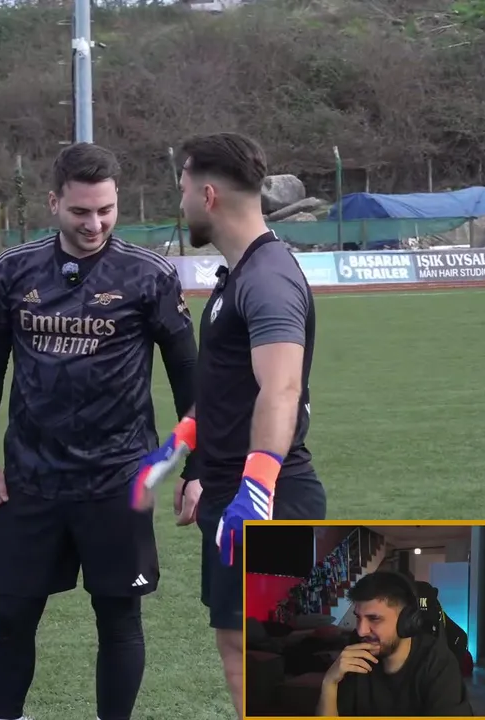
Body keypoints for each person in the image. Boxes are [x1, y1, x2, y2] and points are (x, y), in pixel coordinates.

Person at [0, 142, 199, 720]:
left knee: (119, 618)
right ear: (53, 203)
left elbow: (189, 375)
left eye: (106, 210)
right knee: (12, 616)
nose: (94, 224)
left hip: (118, 478)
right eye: (80, 211)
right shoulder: (14, 269)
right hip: (31, 477)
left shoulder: (149, 275)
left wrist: (198, 466)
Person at [131, 132, 327, 719]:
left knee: (272, 658)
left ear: (209, 195)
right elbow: (226, 391)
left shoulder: (267, 278)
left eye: (184, 189)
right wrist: (179, 446)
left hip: (270, 498)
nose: (181, 202)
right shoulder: (237, 277)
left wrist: (257, 489)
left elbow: (281, 387)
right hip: (229, 495)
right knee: (240, 650)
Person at [318, 571, 473, 716]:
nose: (361, 631)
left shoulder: (438, 663)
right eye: (358, 617)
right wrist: (329, 683)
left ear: (407, 621)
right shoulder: (356, 653)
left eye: (374, 618)